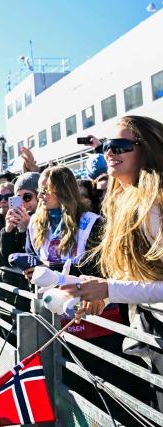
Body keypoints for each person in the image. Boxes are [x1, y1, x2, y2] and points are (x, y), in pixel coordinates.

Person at [62, 115, 163, 411]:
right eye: (107, 146)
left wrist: (109, 289)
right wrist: (103, 296)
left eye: (119, 146)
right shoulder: (126, 201)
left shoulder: (155, 204)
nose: (109, 152)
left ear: (148, 149)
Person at [0, 172, 40, 266]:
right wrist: (8, 232)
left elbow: (38, 259)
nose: (23, 203)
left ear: (39, 196)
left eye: (27, 197)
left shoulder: (51, 219)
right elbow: (7, 261)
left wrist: (28, 229)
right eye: (18, 198)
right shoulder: (17, 220)